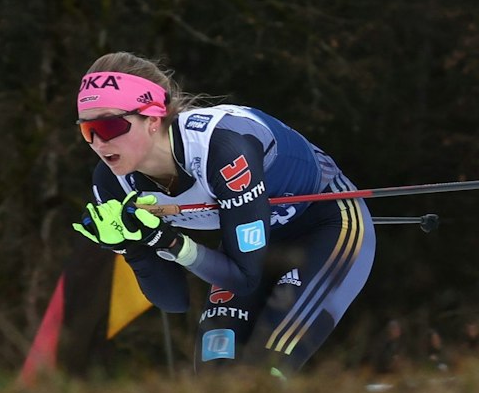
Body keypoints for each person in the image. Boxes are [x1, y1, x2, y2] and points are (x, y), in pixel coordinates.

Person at [69, 52, 376, 372]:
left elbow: (243, 278)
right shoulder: (112, 181)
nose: (99, 143)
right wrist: (132, 247)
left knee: (266, 369)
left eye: (109, 126)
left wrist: (169, 242)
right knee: (215, 379)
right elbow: (174, 301)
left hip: (325, 221)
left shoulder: (221, 149)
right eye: (87, 130)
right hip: (252, 242)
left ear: (153, 119)